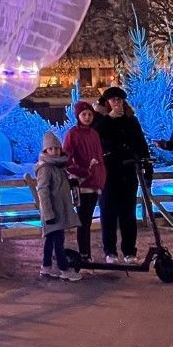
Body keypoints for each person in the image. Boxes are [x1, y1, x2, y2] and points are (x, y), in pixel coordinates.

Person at [92, 86, 151, 264]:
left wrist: (146, 163)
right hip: (109, 173)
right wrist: (109, 120)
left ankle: (129, 250)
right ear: (108, 103)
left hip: (128, 172)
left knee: (128, 213)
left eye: (119, 100)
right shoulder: (101, 121)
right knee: (108, 213)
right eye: (113, 100)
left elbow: (140, 142)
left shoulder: (131, 121)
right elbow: (97, 138)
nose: (117, 103)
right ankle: (110, 250)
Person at [62, 100, 106, 260]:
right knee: (84, 221)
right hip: (82, 184)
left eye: (89, 114)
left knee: (87, 220)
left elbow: (99, 157)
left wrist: (100, 176)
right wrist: (82, 172)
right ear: (78, 116)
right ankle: (84, 254)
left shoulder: (94, 134)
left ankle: (86, 255)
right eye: (84, 114)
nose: (87, 117)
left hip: (94, 183)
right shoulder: (73, 134)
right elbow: (66, 159)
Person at [35, 131, 81, 281]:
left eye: (56, 148)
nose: (54, 151)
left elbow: (60, 185)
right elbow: (43, 190)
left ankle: (46, 267)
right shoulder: (45, 168)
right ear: (45, 151)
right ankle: (64, 269)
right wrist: (48, 213)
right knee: (57, 241)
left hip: (59, 210)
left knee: (51, 239)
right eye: (50, 149)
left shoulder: (58, 167)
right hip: (52, 211)